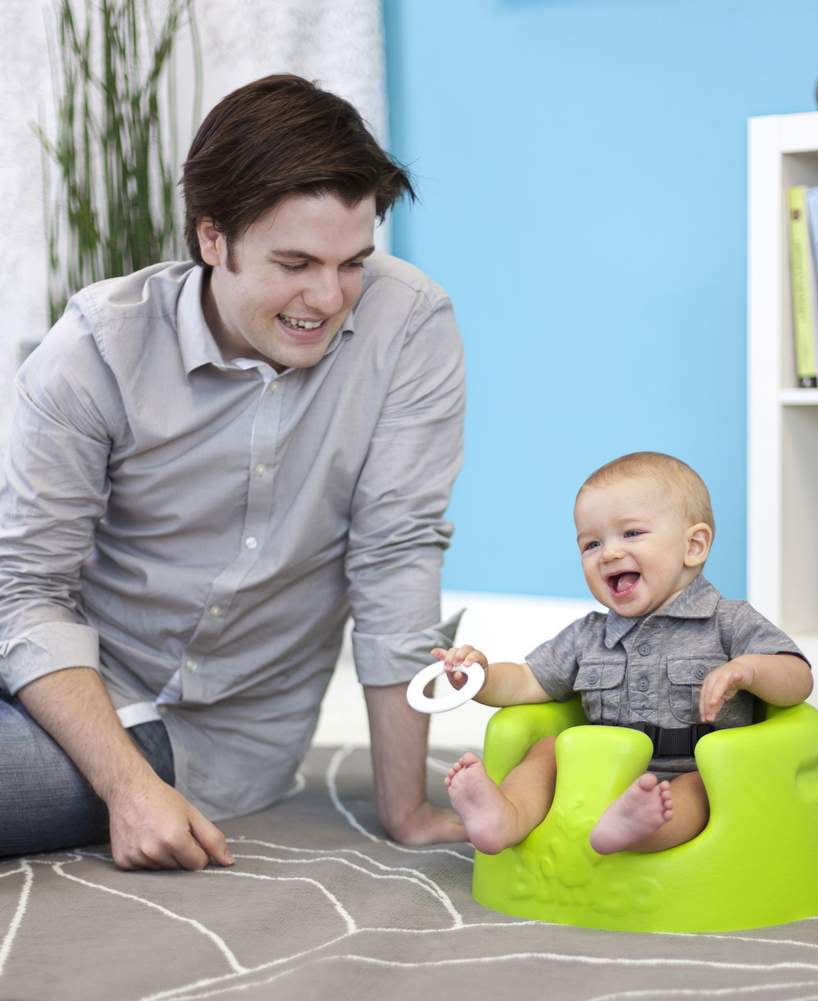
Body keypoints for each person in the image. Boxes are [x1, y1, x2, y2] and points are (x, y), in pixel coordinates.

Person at [0, 74, 467, 869]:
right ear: (212, 239)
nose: (327, 297)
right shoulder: (98, 350)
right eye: (294, 262)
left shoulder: (408, 325)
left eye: (352, 261)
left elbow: (396, 554)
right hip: (55, 674)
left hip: (197, 731)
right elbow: (24, 588)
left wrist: (406, 808)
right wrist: (126, 788)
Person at [433, 451, 812, 856]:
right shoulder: (588, 635)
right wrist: (480, 676)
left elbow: (798, 679)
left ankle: (640, 830)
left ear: (694, 545)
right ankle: (505, 817)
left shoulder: (728, 621)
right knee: (545, 750)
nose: (609, 553)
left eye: (631, 533)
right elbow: (528, 680)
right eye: (591, 543)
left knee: (701, 789)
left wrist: (748, 670)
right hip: (598, 770)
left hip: (692, 769)